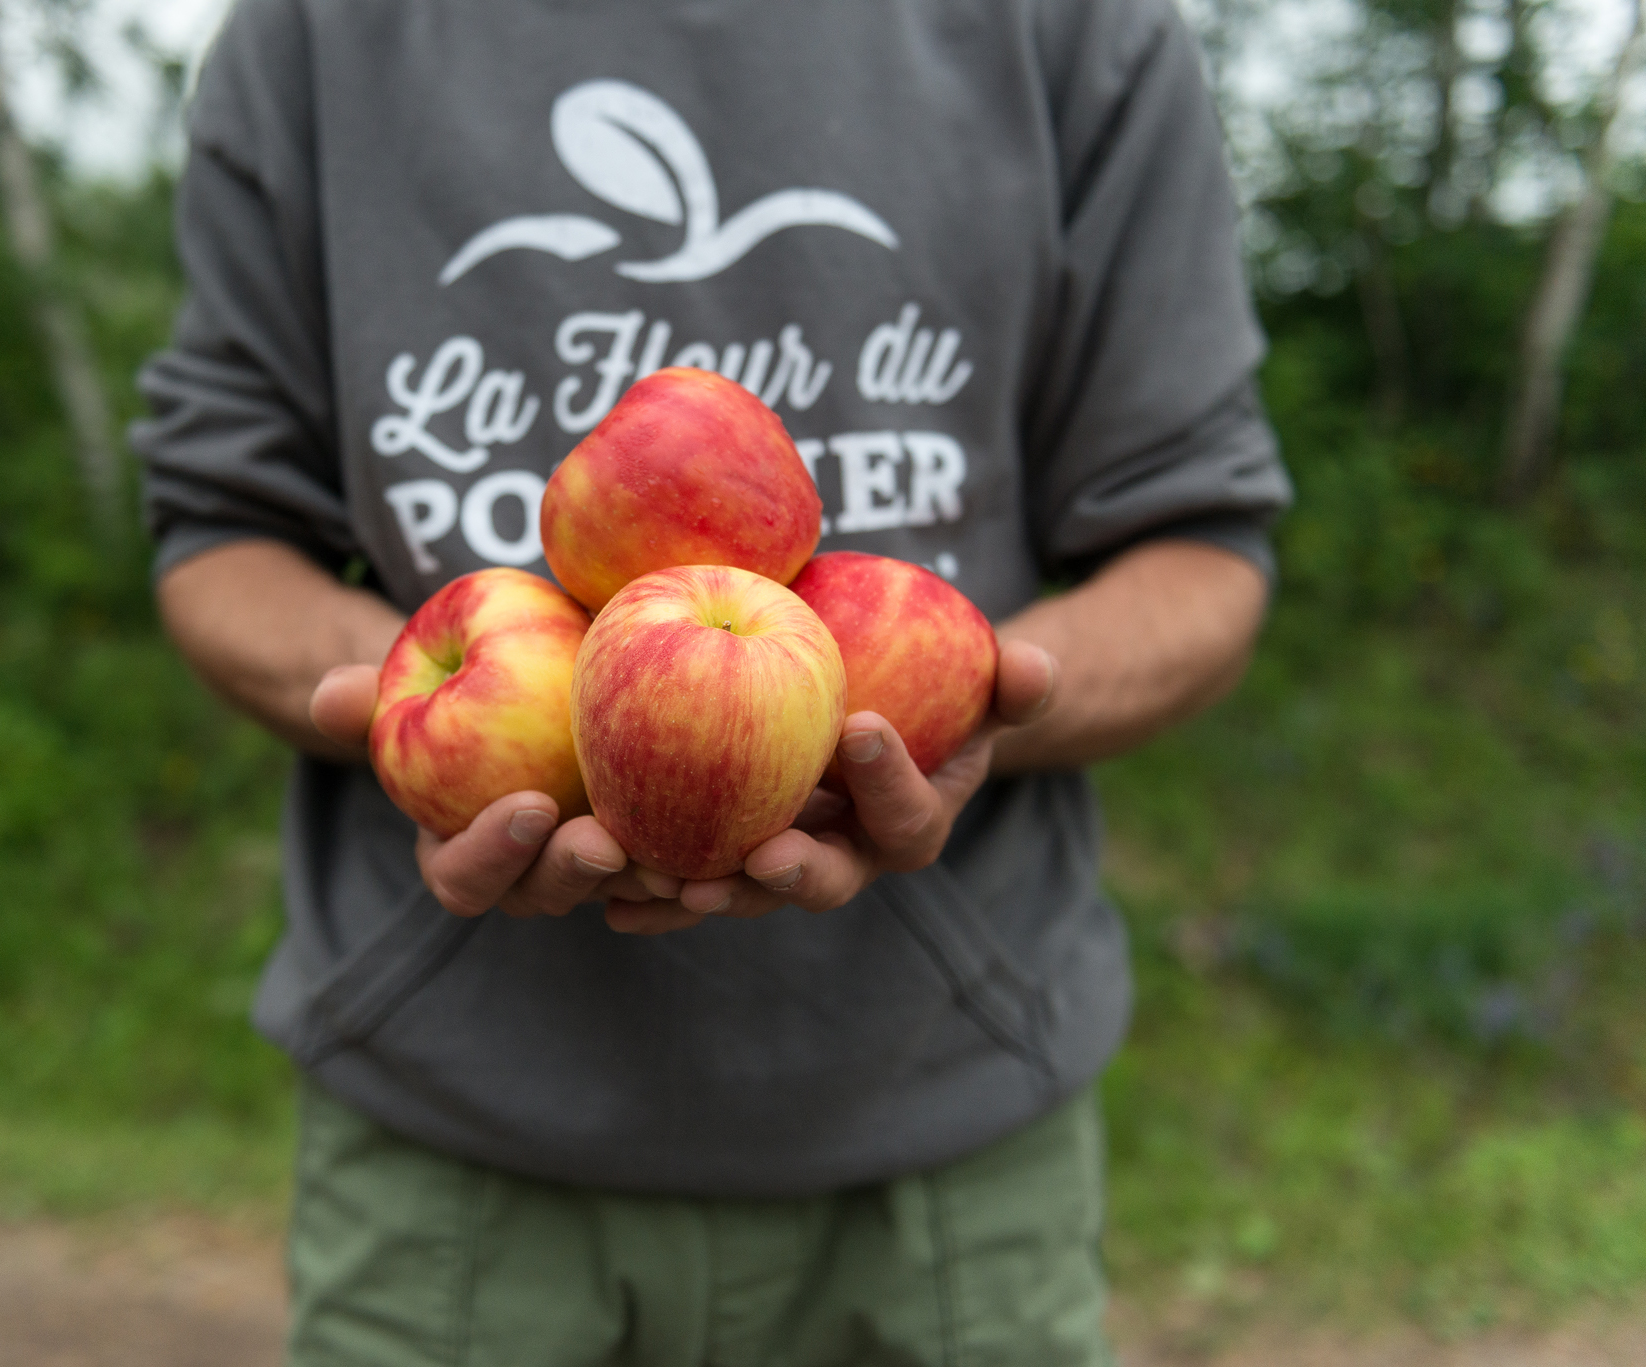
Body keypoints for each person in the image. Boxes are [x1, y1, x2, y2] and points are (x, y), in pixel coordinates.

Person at [133, 0, 1293, 1359]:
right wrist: (434, 712)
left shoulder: (1074, 28)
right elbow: (219, 533)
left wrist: (966, 717)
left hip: (947, 1156)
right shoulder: (313, 35)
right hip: (454, 1162)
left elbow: (1200, 545)